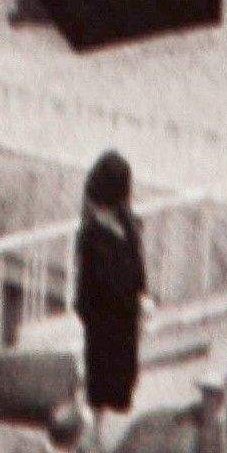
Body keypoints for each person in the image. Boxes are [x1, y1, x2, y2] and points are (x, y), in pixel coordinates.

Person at [72, 152, 145, 418]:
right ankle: (97, 437)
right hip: (105, 325)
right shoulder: (95, 237)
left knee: (118, 386)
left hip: (122, 322)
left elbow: (136, 274)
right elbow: (88, 292)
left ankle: (102, 434)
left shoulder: (124, 226)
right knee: (103, 389)